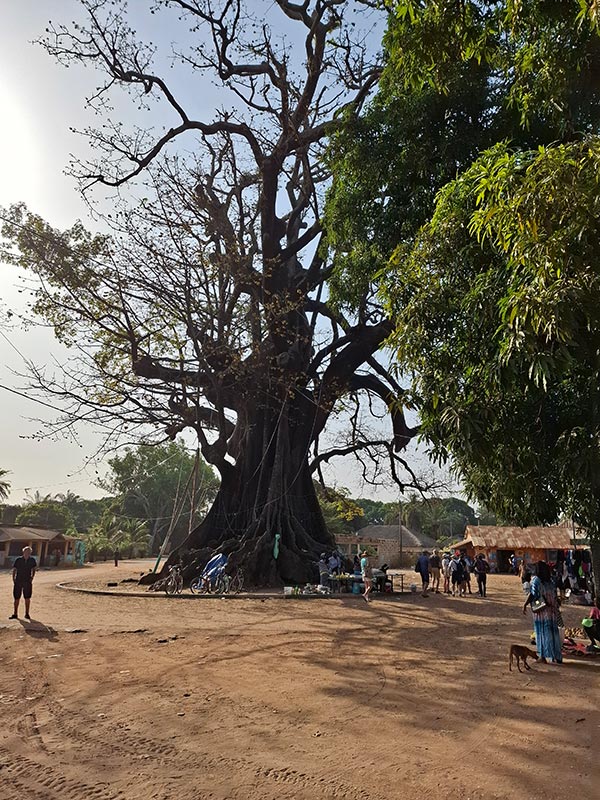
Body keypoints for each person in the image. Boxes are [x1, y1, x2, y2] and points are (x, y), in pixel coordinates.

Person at [523, 561, 562, 664]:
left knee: (542, 633)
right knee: (554, 633)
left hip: (542, 611)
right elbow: (555, 595)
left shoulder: (536, 580)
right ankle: (556, 656)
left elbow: (533, 594)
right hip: (552, 610)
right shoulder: (550, 581)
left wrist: (525, 604)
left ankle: (543, 656)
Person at [10, 546, 37, 620]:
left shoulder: (32, 560)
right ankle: (15, 613)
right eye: (26, 551)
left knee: (27, 598)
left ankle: (27, 613)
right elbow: (14, 569)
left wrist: (32, 577)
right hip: (18, 580)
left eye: (28, 552)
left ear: (30, 553)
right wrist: (13, 578)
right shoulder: (18, 560)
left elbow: (34, 569)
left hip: (27, 581)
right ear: (23, 552)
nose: (27, 553)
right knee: (16, 598)